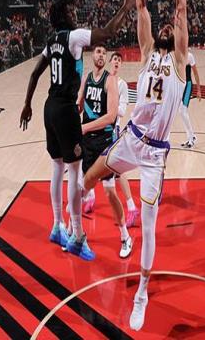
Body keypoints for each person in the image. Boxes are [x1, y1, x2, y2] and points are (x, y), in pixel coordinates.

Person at [81, 0, 188, 331]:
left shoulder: (179, 61)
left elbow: (180, 8)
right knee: (88, 178)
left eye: (171, 27)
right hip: (131, 138)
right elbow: (142, 6)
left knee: (150, 224)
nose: (167, 27)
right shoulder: (146, 53)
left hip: (155, 155)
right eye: (164, 27)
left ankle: (142, 291)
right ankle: (75, 228)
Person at [19, 0, 134, 261]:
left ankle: (57, 225)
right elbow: (108, 32)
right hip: (65, 110)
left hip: (49, 107)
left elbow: (35, 73)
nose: (74, 15)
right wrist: (125, 6)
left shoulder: (51, 42)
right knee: (74, 171)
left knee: (57, 167)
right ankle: (78, 236)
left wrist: (27, 104)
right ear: (63, 16)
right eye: (70, 12)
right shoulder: (74, 37)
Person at [78, 45, 132, 258]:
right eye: (98, 52)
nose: (100, 55)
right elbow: (78, 105)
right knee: (80, 189)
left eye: (103, 52)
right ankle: (75, 233)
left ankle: (125, 236)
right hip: (87, 143)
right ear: (92, 55)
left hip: (104, 142)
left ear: (106, 57)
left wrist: (84, 127)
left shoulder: (111, 81)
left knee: (109, 192)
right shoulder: (86, 79)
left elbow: (111, 117)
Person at [110, 51, 139, 228]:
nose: (117, 62)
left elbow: (121, 111)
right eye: (115, 59)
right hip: (98, 129)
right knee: (90, 166)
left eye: (119, 60)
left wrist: (108, 107)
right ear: (110, 62)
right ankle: (87, 197)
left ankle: (131, 206)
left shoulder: (122, 85)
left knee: (117, 171)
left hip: (111, 129)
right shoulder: (104, 80)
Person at [180, 49, 202, 148]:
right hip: (179, 85)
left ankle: (191, 138)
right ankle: (191, 136)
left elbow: (196, 73)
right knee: (181, 112)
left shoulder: (189, 56)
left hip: (187, 85)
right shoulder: (174, 55)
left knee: (183, 111)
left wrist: (199, 90)